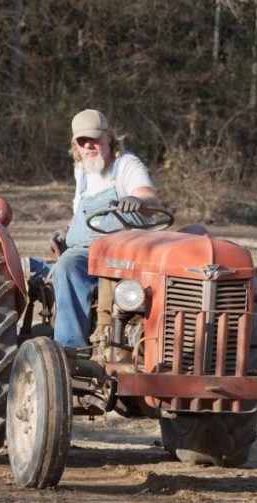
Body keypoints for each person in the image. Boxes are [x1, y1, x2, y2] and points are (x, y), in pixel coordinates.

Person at [53, 109, 161, 349]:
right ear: (76, 145)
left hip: (129, 253)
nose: (89, 146)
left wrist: (140, 202)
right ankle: (71, 351)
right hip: (89, 254)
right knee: (67, 265)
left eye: (95, 139)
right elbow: (80, 212)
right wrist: (67, 229)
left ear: (109, 137)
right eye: (82, 141)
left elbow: (150, 199)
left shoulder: (126, 165)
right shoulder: (81, 171)